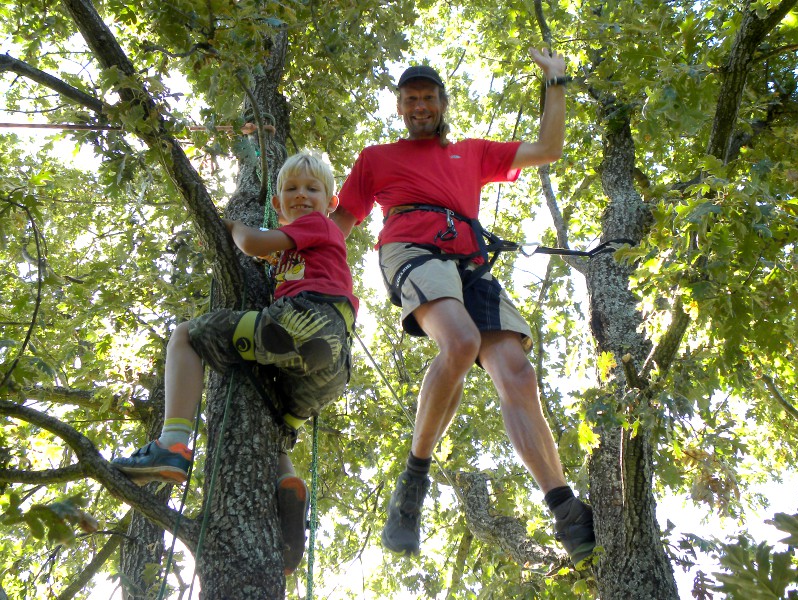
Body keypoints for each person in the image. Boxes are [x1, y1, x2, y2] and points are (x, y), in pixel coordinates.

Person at [331, 49, 595, 565]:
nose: (419, 106)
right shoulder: (376, 159)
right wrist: (302, 260)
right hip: (410, 247)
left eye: (428, 97)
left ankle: (564, 509)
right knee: (460, 341)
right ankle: (414, 481)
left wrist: (557, 79)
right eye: (410, 99)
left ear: (442, 104)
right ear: (400, 109)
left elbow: (548, 147)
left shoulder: (471, 153)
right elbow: (339, 223)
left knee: (518, 374)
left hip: (469, 262)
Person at [112, 152, 358, 575]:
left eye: (312, 189)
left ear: (331, 203)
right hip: (331, 365)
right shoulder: (302, 248)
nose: (302, 195)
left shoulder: (318, 226)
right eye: (292, 189)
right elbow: (274, 257)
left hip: (310, 322)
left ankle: (171, 444)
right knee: (274, 421)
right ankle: (286, 484)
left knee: (186, 335)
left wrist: (232, 228)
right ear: (278, 203)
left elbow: (253, 244)